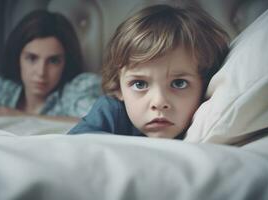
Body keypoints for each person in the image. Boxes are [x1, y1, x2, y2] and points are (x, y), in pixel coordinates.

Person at [68, 4, 229, 138]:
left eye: (179, 83)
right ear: (118, 88)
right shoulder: (112, 111)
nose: (158, 102)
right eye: (139, 84)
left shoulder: (207, 122)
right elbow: (76, 147)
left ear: (204, 86)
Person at [0, 10, 101, 122]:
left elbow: (101, 122)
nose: (41, 72)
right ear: (17, 58)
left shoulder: (76, 92)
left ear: (66, 62)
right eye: (32, 58)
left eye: (53, 61)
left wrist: (18, 116)